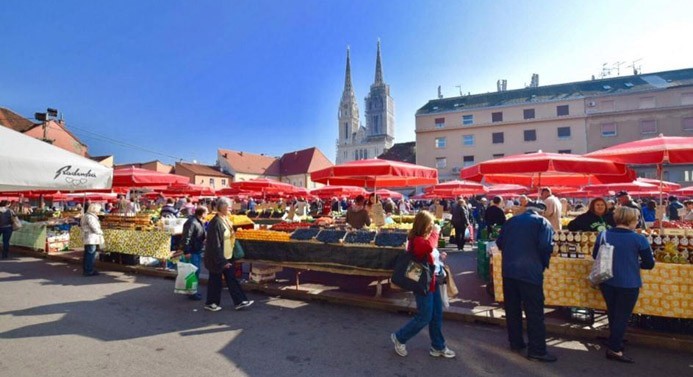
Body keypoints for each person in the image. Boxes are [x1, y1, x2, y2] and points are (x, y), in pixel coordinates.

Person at [593, 206, 655, 363]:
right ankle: (614, 349)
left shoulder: (603, 235)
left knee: (613, 312)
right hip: (629, 282)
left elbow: (596, 255)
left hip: (606, 280)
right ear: (632, 220)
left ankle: (615, 339)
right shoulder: (639, 239)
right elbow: (649, 264)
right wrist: (634, 262)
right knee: (622, 316)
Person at [496, 201, 556, 362]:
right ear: (541, 212)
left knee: (512, 308)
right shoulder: (543, 222)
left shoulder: (511, 221)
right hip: (530, 272)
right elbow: (546, 246)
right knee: (534, 312)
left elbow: (499, 243)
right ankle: (537, 349)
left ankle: (515, 342)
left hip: (509, 271)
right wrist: (542, 264)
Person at [391, 211, 455, 359]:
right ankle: (400, 337)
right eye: (430, 224)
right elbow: (428, 247)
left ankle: (438, 346)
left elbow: (430, 252)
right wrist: (435, 234)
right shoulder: (418, 240)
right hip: (423, 284)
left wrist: (439, 255)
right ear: (424, 225)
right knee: (425, 316)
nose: (432, 226)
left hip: (432, 282)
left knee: (436, 315)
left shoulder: (421, 238)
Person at [203, 198, 254, 312]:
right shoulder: (215, 222)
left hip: (227, 255)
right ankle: (211, 303)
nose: (230, 208)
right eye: (228, 206)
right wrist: (222, 261)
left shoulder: (225, 219)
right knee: (215, 281)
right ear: (221, 207)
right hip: (218, 258)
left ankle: (240, 301)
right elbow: (215, 244)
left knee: (231, 279)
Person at [181, 206, 208, 300]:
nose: (207, 214)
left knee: (194, 271)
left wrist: (202, 240)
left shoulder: (197, 221)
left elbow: (196, 235)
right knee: (194, 272)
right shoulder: (192, 222)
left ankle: (191, 291)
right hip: (192, 250)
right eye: (206, 212)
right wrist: (187, 251)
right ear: (202, 213)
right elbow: (186, 237)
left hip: (196, 249)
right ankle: (192, 292)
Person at [80, 203, 104, 276]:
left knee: (88, 253)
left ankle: (87, 269)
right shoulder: (90, 217)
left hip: (89, 237)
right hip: (91, 237)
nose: (99, 211)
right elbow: (94, 227)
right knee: (90, 254)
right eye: (98, 210)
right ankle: (88, 270)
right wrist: (100, 232)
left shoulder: (87, 215)